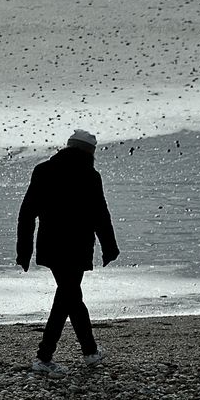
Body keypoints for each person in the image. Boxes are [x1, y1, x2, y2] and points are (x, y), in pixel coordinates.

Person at [17, 129, 119, 376]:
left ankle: (90, 352)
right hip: (77, 246)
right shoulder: (91, 175)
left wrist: (24, 250)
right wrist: (109, 246)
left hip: (51, 245)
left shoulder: (43, 170)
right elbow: (100, 215)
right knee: (67, 298)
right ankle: (45, 357)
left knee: (69, 297)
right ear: (89, 152)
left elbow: (27, 212)